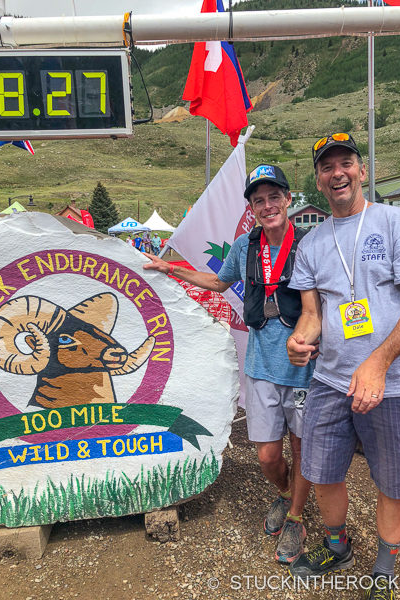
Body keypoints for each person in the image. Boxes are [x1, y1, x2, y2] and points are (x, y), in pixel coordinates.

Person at [286, 133, 400, 599]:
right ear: (317, 179)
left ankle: (384, 571)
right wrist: (300, 341)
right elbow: (312, 313)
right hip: (331, 380)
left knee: (395, 483)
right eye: (327, 167)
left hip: (396, 384)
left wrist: (378, 361)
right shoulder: (312, 242)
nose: (337, 173)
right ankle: (339, 547)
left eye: (345, 163)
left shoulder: (396, 222)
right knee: (324, 471)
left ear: (362, 170)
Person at [143, 164, 314, 564]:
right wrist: (171, 268)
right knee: (269, 455)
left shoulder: (309, 243)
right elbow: (219, 282)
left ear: (288, 199)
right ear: (252, 208)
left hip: (304, 368)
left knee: (304, 448)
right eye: (259, 200)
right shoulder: (244, 246)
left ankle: (296, 515)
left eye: (274, 197)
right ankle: (288, 492)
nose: (267, 205)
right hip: (259, 366)